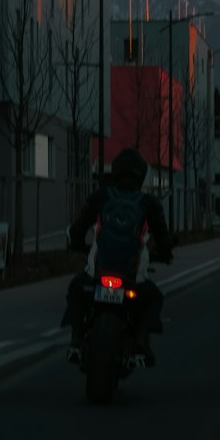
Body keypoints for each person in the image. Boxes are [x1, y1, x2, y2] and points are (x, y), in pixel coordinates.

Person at [63, 146, 173, 367]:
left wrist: (76, 244)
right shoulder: (148, 203)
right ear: (140, 175)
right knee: (153, 298)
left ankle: (75, 339)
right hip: (132, 278)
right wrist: (165, 252)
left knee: (76, 288)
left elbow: (78, 228)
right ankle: (141, 342)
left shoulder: (100, 196)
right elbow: (162, 236)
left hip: (99, 273)